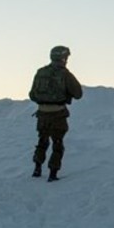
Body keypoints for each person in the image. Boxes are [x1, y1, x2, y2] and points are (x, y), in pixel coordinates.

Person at [28, 45, 84, 182]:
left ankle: (37, 169)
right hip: (58, 114)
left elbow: (32, 94)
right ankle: (53, 173)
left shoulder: (40, 72)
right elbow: (78, 94)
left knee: (42, 141)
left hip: (42, 114)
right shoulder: (65, 74)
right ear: (64, 58)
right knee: (57, 144)